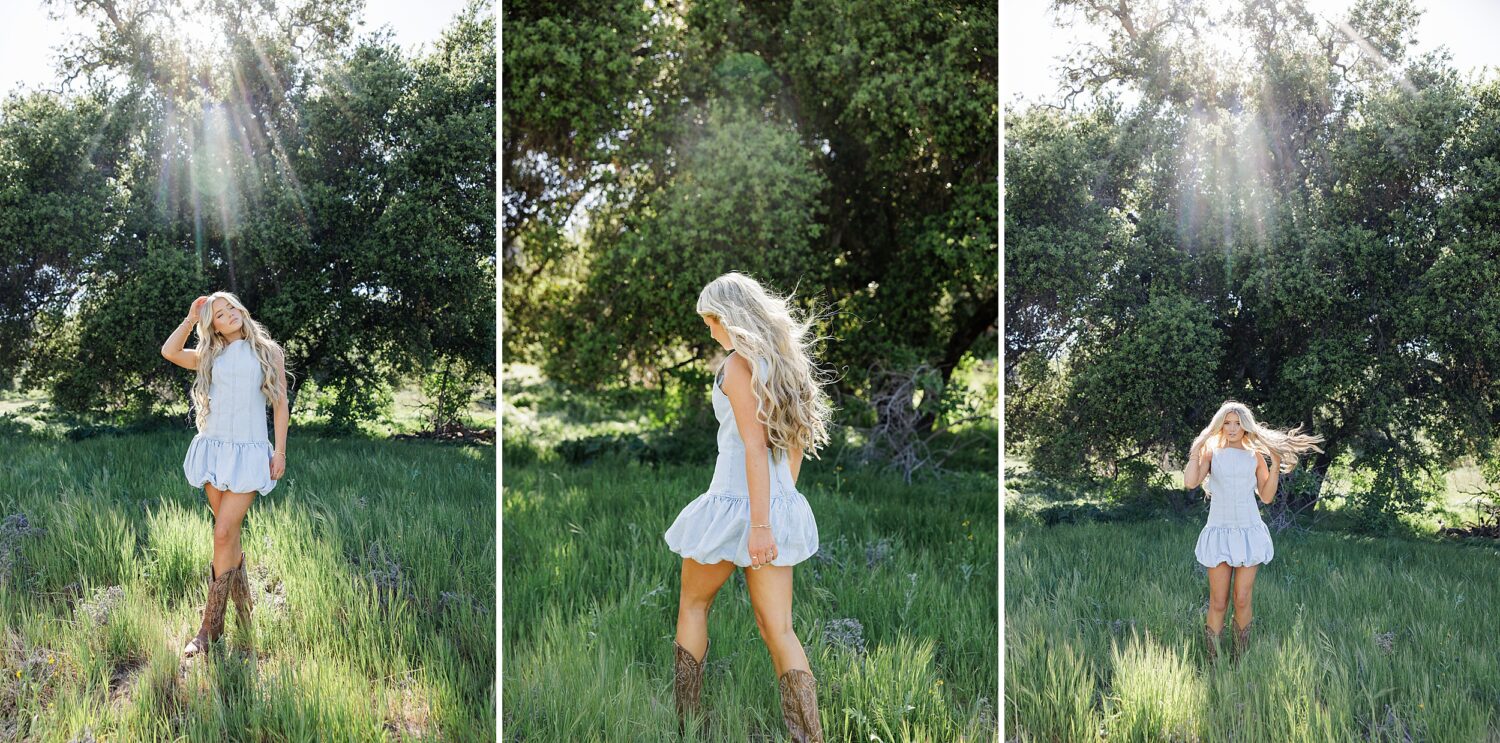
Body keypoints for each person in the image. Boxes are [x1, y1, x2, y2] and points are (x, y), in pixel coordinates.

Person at [663, 272, 833, 741]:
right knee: (778, 628)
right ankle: (807, 738)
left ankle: (686, 726)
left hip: (737, 507)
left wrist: (760, 523)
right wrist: (779, 504)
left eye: (711, 320)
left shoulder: (737, 366)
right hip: (772, 504)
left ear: (731, 317)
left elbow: (754, 449)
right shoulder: (785, 364)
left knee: (693, 605)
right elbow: (794, 445)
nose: (709, 329)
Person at [161, 292, 289, 657]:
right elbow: (170, 352)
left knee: (222, 532)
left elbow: (281, 406)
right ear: (212, 324)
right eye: (220, 313)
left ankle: (208, 629)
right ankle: (245, 616)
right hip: (214, 451)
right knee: (227, 537)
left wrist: (279, 451)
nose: (230, 314)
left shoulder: (267, 351)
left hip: (249, 454)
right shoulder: (210, 354)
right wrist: (189, 318)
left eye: (232, 307)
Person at [1183, 400, 1323, 662]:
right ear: (1220, 425)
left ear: (1246, 426)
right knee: (1218, 601)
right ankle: (1214, 661)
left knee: (1243, 599)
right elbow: (1191, 481)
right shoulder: (1212, 453)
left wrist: (1275, 464)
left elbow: (1267, 497)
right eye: (1227, 423)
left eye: (1238, 423)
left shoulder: (1254, 455)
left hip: (1248, 532)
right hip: (1220, 532)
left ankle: (1240, 658)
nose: (1233, 428)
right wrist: (1196, 450)